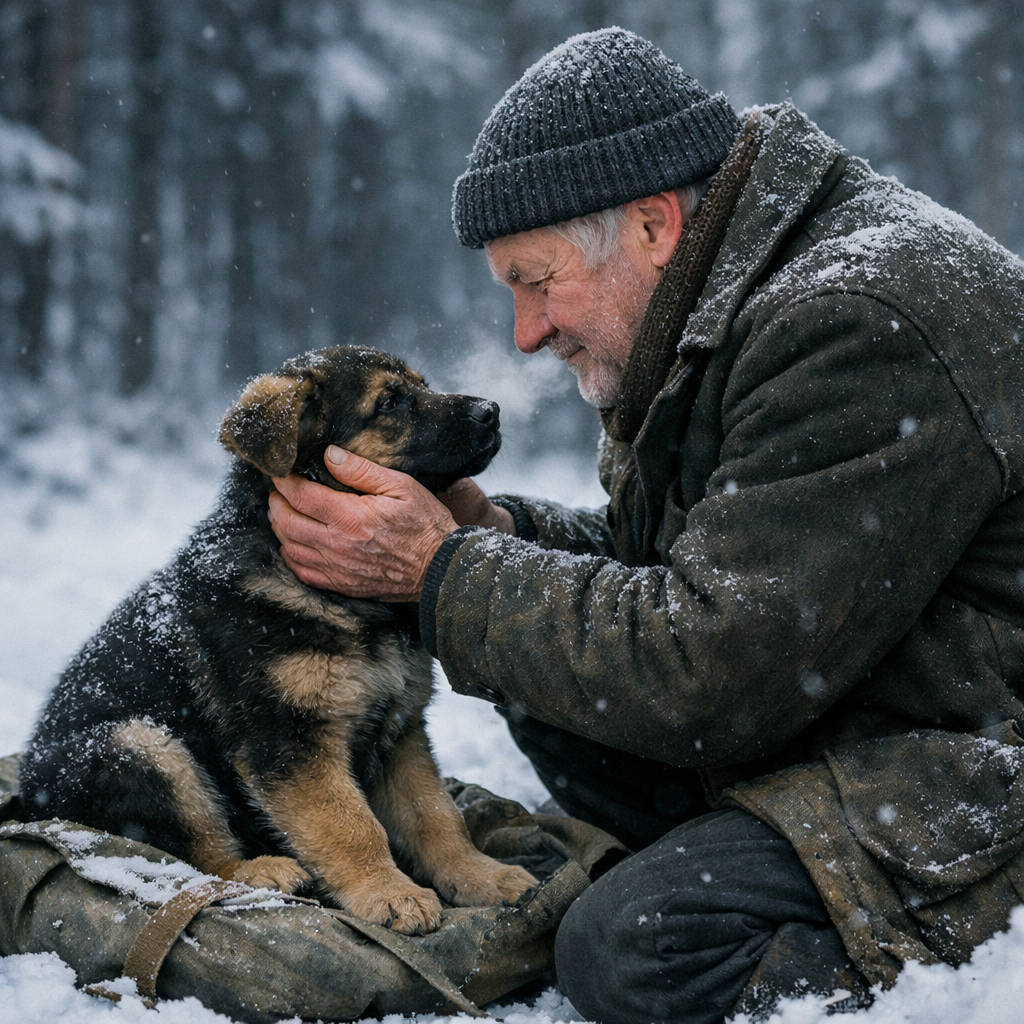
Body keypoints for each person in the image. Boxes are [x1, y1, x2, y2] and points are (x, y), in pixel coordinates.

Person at [266, 27, 1024, 1024]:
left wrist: (444, 573)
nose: (524, 334)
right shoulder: (720, 309)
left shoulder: (854, 317)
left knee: (640, 949)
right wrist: (488, 531)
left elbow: (718, 663)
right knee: (581, 838)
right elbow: (678, 576)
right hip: (860, 725)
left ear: (653, 227)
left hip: (979, 765)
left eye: (534, 284)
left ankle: (971, 983)